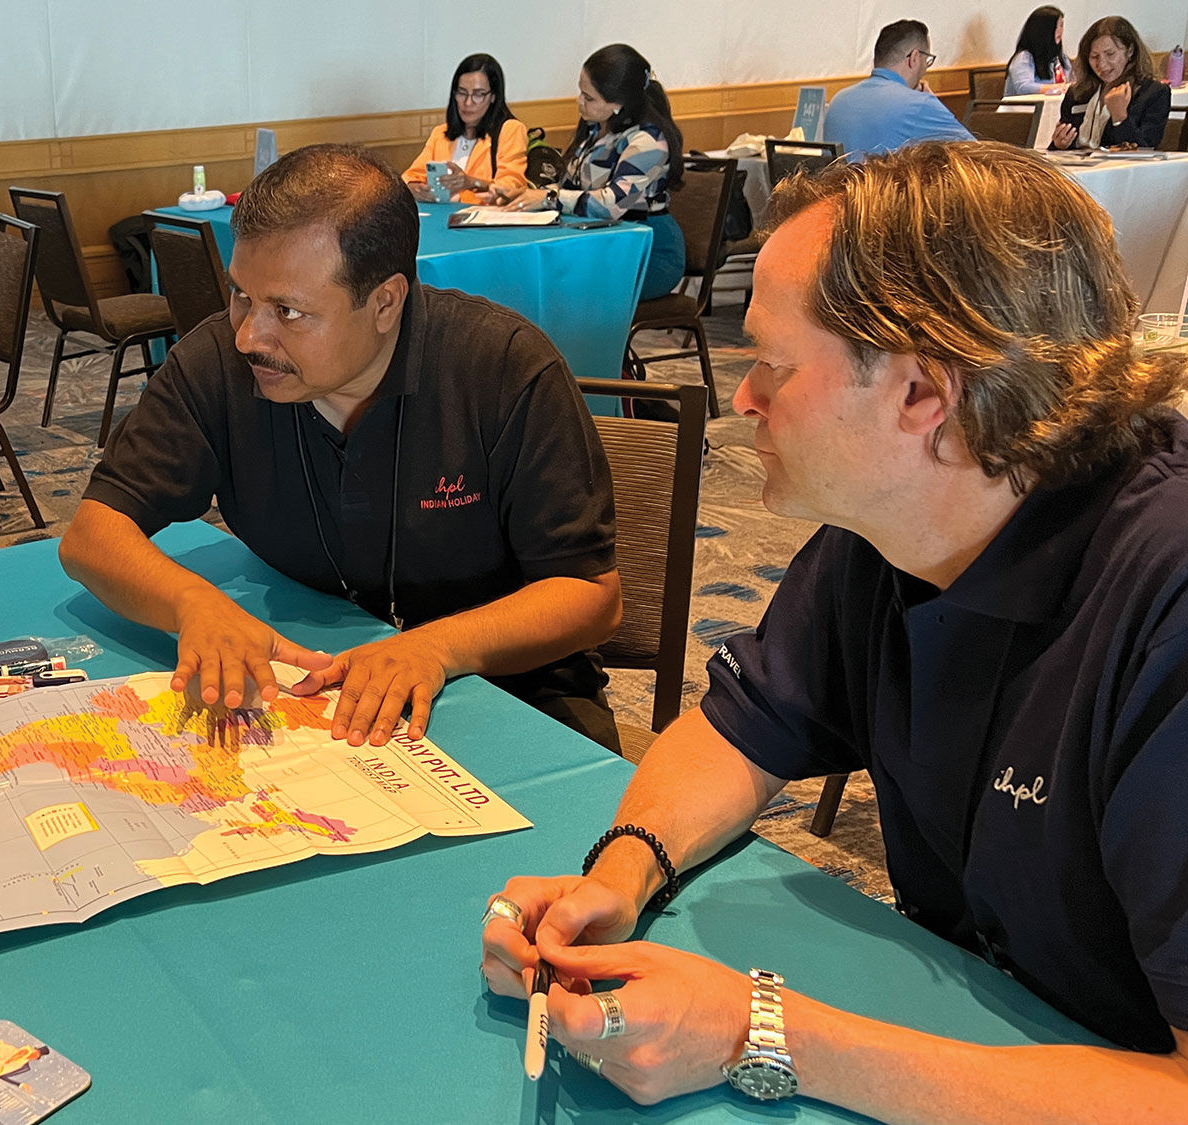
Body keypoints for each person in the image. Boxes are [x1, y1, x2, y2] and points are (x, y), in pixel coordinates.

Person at [480, 142, 1188, 1119]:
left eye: (770, 363)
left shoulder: (1163, 605)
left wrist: (758, 1034)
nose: (740, 396)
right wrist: (620, 869)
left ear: (921, 395)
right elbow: (741, 728)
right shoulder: (896, 522)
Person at [61, 144, 624, 751]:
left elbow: (590, 596)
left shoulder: (506, 369)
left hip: (503, 688)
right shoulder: (218, 363)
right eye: (241, 296)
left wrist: (434, 647)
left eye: (289, 310)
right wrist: (193, 604)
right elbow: (93, 536)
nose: (250, 335)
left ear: (385, 303)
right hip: (314, 693)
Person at [486, 45, 686, 302]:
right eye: (580, 92)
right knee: (529, 280)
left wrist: (548, 199)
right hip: (600, 242)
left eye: (589, 97)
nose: (579, 101)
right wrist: (525, 195)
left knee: (563, 291)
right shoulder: (596, 132)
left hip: (646, 250)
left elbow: (613, 204)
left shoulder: (647, 141)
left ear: (618, 103)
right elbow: (570, 187)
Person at [821, 20, 973, 161]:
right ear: (914, 58)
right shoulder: (919, 105)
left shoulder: (838, 101)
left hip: (837, 189)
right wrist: (934, 104)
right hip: (886, 190)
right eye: (927, 60)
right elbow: (979, 154)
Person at [402, 54, 529, 206]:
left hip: (486, 222)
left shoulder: (510, 130)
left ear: (493, 96)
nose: (468, 102)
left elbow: (511, 187)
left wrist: (471, 182)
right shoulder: (440, 134)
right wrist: (415, 188)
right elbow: (410, 176)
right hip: (441, 219)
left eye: (478, 94)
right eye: (462, 93)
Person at [1051, 17, 1169, 150]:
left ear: (1129, 51)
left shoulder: (1153, 92)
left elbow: (1145, 149)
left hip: (1121, 170)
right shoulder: (1077, 93)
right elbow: (1060, 147)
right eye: (1094, 57)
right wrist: (1059, 144)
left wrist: (1120, 117)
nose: (1101, 64)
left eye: (1110, 54)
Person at [1006, 6, 1069, 95]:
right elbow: (1024, 88)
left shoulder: (1061, 58)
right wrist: (1061, 88)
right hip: (1024, 108)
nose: (1061, 30)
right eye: (1057, 26)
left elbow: (1071, 82)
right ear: (1043, 30)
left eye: (1062, 25)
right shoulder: (1024, 57)